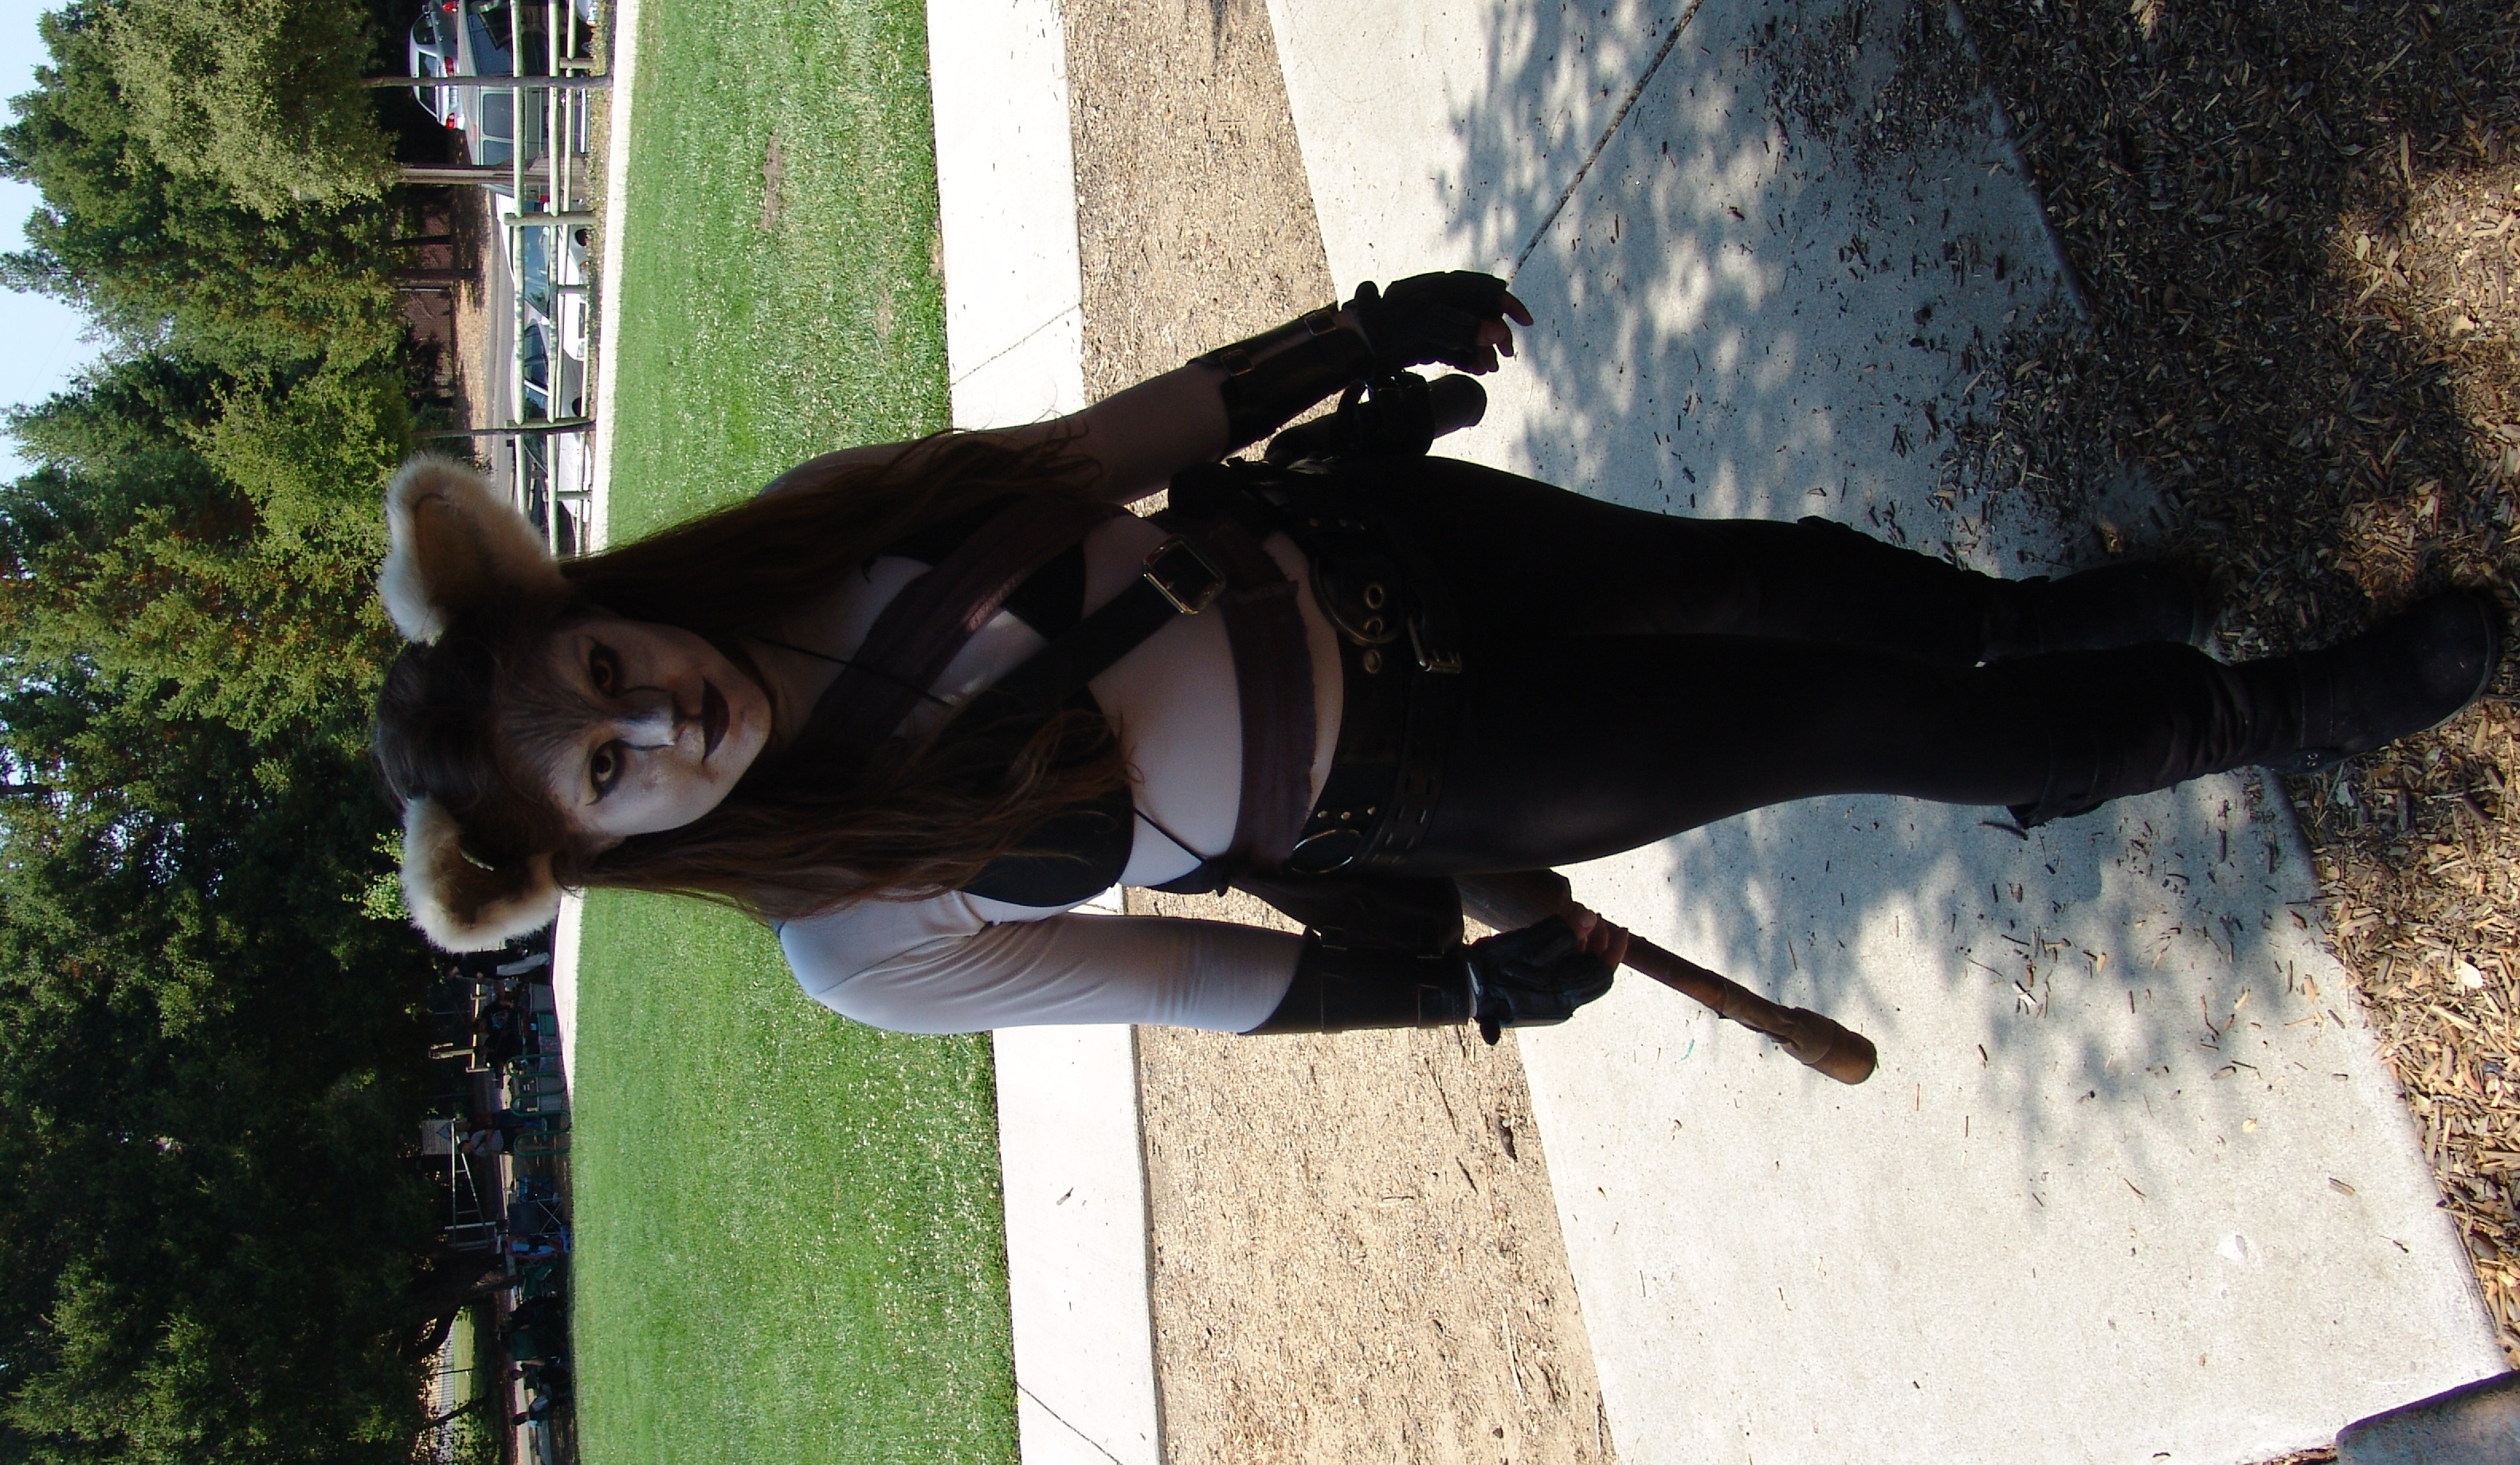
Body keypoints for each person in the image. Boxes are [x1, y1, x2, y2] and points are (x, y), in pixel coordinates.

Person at [370, 273, 2498, 1039]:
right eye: (607, 769)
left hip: (1380, 542)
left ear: (600, 594)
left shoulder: (831, 523)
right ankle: (2260, 711)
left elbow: (1092, 454)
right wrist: (1454, 992)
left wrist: (1346, 335)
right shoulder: (858, 940)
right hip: (1437, 778)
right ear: (601, 848)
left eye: (608, 668)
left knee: (1776, 577)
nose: (658, 717)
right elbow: (1183, 980)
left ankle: (2037, 620)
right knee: (1849, 723)